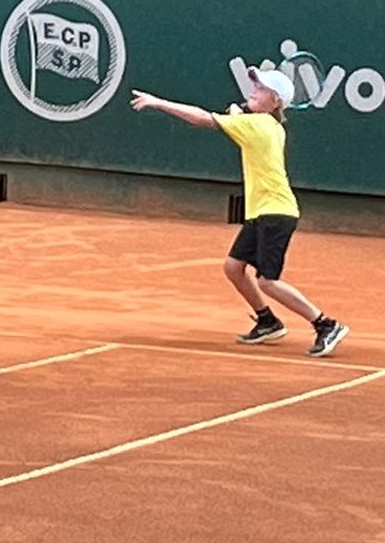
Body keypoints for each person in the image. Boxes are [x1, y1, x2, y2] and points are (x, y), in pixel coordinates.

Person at [131, 65, 349, 357]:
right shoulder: (269, 126)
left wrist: (158, 102)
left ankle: (325, 324)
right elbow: (241, 120)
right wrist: (237, 114)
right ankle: (267, 321)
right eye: (255, 86)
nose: (253, 91)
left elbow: (201, 118)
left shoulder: (259, 126)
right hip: (262, 212)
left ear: (275, 101)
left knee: (268, 281)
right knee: (234, 268)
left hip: (276, 213)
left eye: (261, 89)